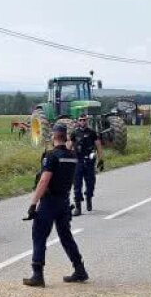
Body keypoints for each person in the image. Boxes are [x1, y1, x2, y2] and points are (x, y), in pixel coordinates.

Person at [23, 124, 89, 287]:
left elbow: (44, 180)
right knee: (66, 236)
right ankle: (79, 269)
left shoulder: (51, 156)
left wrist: (33, 204)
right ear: (65, 136)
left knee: (39, 234)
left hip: (50, 202)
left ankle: (37, 274)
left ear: (54, 136)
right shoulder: (72, 156)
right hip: (64, 201)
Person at [69, 116, 103, 215]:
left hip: (89, 162)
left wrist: (101, 159)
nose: (83, 122)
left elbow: (98, 146)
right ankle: (78, 207)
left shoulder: (92, 133)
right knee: (77, 184)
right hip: (77, 161)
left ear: (87, 121)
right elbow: (69, 146)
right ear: (78, 121)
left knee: (90, 183)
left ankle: (89, 197)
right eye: (80, 120)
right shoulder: (75, 133)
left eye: (84, 120)